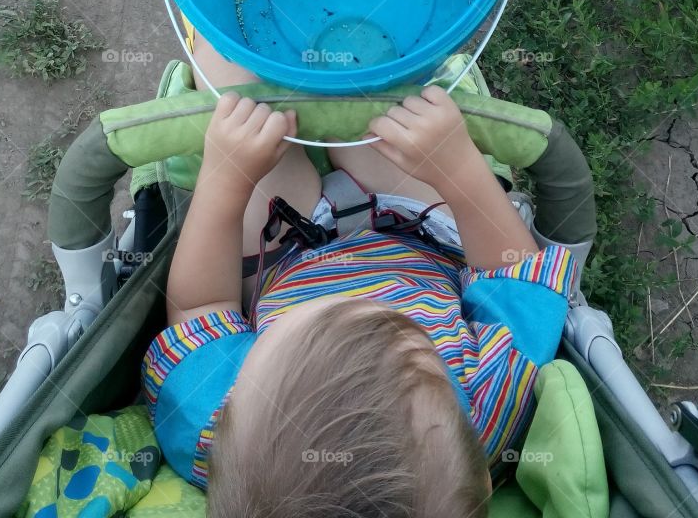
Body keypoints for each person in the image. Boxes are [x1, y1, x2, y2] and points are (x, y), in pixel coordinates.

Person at [142, 31, 577, 517]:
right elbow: (511, 271)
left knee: (230, 78)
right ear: (484, 475)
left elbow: (201, 308)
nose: (358, 302)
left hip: (283, 253)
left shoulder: (213, 430)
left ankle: (238, 30)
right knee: (379, 75)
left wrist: (225, 177)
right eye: (405, 330)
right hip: (416, 231)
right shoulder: (488, 409)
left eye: (294, 330)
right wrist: (458, 169)